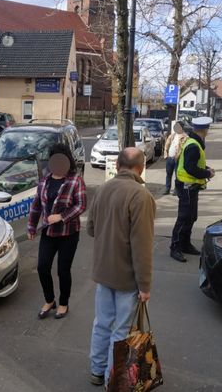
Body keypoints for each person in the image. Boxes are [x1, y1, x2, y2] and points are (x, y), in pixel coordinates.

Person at [87, 147, 156, 386]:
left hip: (103, 272)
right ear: (142, 167)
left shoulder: (103, 189)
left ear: (117, 166)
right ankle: (111, 379)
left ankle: (97, 370)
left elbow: (91, 229)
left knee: (101, 323)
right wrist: (145, 285)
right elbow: (142, 247)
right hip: (127, 277)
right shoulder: (140, 196)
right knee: (121, 330)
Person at [27, 143, 87, 320]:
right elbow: (37, 204)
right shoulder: (45, 180)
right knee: (42, 267)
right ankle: (49, 300)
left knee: (63, 270)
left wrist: (62, 216)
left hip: (69, 233)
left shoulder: (75, 180)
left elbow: (81, 205)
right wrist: (31, 226)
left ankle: (63, 303)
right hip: (48, 232)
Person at [170, 117, 215, 263]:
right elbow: (190, 168)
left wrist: (206, 169)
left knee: (191, 217)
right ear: (205, 130)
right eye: (208, 129)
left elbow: (192, 163)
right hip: (187, 186)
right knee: (184, 218)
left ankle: (185, 244)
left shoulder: (193, 142)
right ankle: (175, 247)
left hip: (190, 186)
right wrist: (207, 173)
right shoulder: (194, 145)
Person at [163, 121, 188, 195]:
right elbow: (167, 145)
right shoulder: (172, 135)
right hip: (170, 158)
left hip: (178, 159)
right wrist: (166, 154)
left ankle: (176, 190)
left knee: (178, 175)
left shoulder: (185, 137)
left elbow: (184, 148)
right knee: (168, 174)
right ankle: (167, 189)